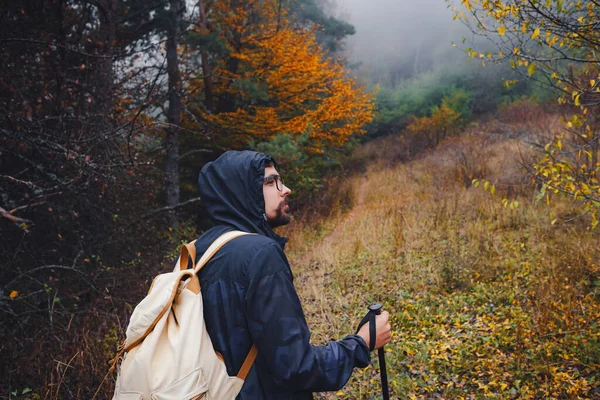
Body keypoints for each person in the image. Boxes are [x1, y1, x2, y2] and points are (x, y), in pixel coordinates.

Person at [193, 150, 391, 399]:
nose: (285, 190)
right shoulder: (260, 254)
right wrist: (362, 343)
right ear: (241, 192)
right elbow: (295, 367)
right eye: (269, 182)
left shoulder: (199, 251)